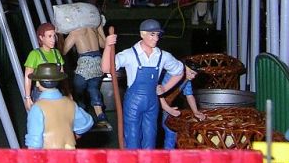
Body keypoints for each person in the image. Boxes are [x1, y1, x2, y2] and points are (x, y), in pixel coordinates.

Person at [101, 19, 183, 149]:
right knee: (132, 135)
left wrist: (165, 88)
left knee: (150, 136)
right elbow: (106, 68)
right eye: (152, 34)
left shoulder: (162, 56)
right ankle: (132, 161)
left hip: (152, 102)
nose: (156, 38)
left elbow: (179, 71)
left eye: (158, 34)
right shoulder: (130, 54)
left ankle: (148, 162)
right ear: (142, 34)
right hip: (133, 102)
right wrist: (107, 47)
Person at [62, 23, 110, 130]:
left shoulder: (76, 31)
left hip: (85, 64)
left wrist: (60, 36)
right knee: (93, 89)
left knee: (77, 89)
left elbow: (63, 50)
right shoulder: (93, 29)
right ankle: (101, 116)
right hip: (98, 63)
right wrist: (99, 29)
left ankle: (81, 113)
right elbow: (104, 44)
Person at [160, 62, 207, 149]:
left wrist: (195, 111)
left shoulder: (186, 80)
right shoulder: (170, 76)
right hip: (155, 105)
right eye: (191, 73)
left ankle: (169, 153)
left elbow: (189, 95)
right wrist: (168, 109)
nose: (193, 77)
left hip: (166, 106)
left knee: (171, 130)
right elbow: (158, 93)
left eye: (195, 74)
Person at [23, 22, 65, 111]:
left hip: (56, 91)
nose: (53, 39)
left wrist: (67, 91)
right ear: (41, 38)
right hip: (41, 93)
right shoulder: (35, 54)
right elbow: (28, 76)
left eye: (54, 36)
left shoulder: (56, 53)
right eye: (49, 36)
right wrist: (27, 97)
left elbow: (62, 74)